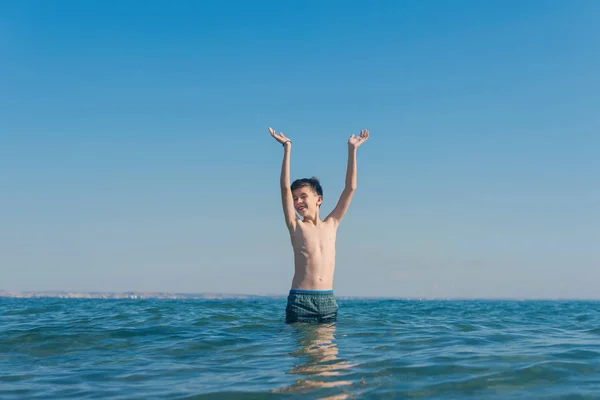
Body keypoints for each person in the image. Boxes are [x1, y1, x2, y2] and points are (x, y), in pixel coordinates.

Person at [269, 126, 370, 323]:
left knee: (328, 354)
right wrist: (287, 148)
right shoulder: (296, 226)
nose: (298, 202)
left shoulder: (332, 223)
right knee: (303, 352)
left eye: (303, 196)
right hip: (301, 300)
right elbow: (283, 189)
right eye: (295, 198)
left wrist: (352, 150)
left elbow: (350, 188)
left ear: (319, 199)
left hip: (327, 301)